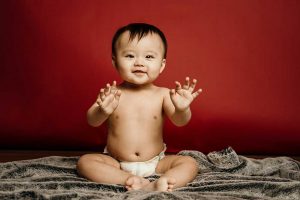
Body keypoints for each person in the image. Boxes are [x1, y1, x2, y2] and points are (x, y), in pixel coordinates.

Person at [77, 23, 202, 192]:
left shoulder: (164, 94)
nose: (139, 63)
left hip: (156, 162)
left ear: (162, 64)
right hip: (116, 162)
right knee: (85, 162)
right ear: (114, 61)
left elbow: (180, 121)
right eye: (129, 56)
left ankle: (165, 181)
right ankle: (129, 180)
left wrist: (182, 109)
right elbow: (92, 121)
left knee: (189, 163)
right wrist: (102, 111)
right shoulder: (113, 94)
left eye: (149, 57)